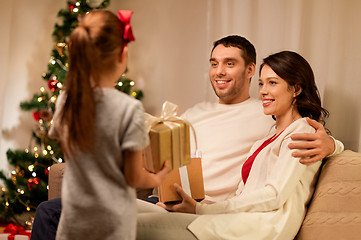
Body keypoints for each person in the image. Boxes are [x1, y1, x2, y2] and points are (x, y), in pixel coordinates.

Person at [31, 35, 342, 239]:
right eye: (214, 63)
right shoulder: (201, 114)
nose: (219, 71)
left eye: (230, 63)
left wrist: (331, 144)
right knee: (53, 210)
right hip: (171, 200)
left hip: (211, 210)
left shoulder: (264, 115)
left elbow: (301, 145)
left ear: (248, 70)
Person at [136, 50, 335, 239]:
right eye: (261, 84)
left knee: (129, 224)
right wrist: (195, 205)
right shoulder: (266, 137)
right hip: (230, 220)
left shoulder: (303, 132)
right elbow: (241, 195)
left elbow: (274, 195)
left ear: (296, 89)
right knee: (122, 208)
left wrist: (201, 209)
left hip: (257, 228)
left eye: (272, 83)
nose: (264, 91)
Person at [37, 10, 169, 240]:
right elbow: (134, 177)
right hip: (112, 225)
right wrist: (158, 178)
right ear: (122, 54)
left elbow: (71, 153)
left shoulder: (66, 100)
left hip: (73, 221)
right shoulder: (129, 108)